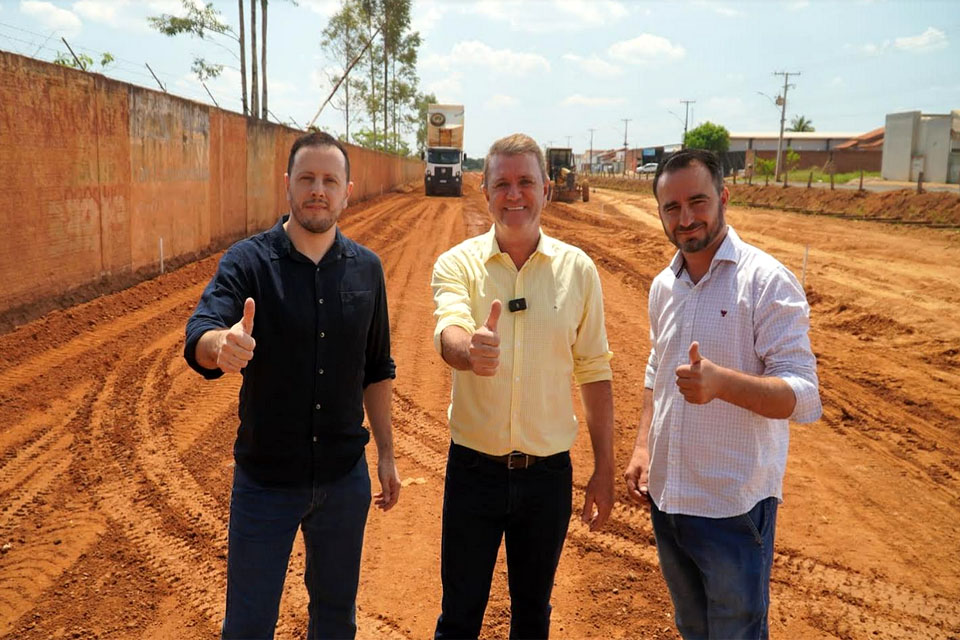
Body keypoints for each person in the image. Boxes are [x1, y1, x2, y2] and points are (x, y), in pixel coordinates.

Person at [184, 131, 400, 640]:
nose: (318, 190)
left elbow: (376, 366)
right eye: (307, 179)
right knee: (248, 625)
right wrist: (222, 345)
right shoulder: (248, 262)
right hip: (265, 483)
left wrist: (386, 452)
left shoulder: (368, 269)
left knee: (335, 622)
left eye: (330, 180)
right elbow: (201, 331)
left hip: (344, 480)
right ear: (287, 185)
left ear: (348, 190)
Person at [623, 148, 822, 640]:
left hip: (733, 507)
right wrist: (643, 444)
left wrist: (722, 383)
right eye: (672, 207)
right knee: (692, 627)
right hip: (668, 498)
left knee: (735, 631)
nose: (686, 218)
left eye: (697, 201)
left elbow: (805, 396)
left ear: (724, 198)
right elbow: (657, 365)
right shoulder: (663, 287)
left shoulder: (766, 281)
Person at [431, 132, 615, 639]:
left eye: (526, 182)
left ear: (547, 190)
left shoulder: (578, 271)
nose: (515, 195)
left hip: (547, 479)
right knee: (459, 616)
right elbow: (448, 331)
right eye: (502, 184)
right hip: (473, 472)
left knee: (533, 617)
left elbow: (594, 368)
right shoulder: (457, 264)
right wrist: (468, 351)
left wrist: (605, 467)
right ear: (484, 192)